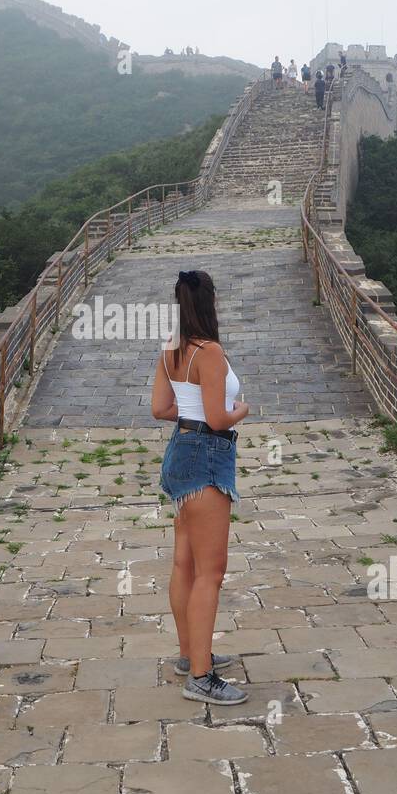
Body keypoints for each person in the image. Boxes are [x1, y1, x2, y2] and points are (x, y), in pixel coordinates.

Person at [151, 270, 251, 705]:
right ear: (210, 302)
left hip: (180, 454)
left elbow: (160, 408)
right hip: (208, 457)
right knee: (211, 571)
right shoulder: (209, 352)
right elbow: (217, 418)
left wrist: (190, 414)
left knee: (184, 566)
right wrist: (240, 410)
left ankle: (190, 653)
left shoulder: (173, 348)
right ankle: (202, 676)